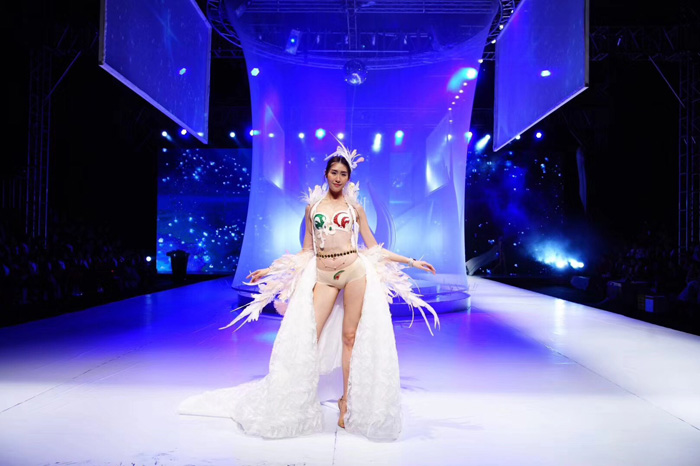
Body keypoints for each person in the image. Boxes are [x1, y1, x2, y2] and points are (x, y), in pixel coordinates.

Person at [178, 139, 439, 441]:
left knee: (350, 337)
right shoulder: (312, 208)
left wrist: (412, 261)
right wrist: (271, 270)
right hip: (324, 275)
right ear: (326, 174)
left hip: (354, 272)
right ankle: (299, 398)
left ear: (349, 178)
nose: (338, 178)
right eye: (334, 172)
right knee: (308, 334)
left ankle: (346, 401)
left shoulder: (355, 208)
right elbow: (306, 251)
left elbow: (373, 247)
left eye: (344, 174)